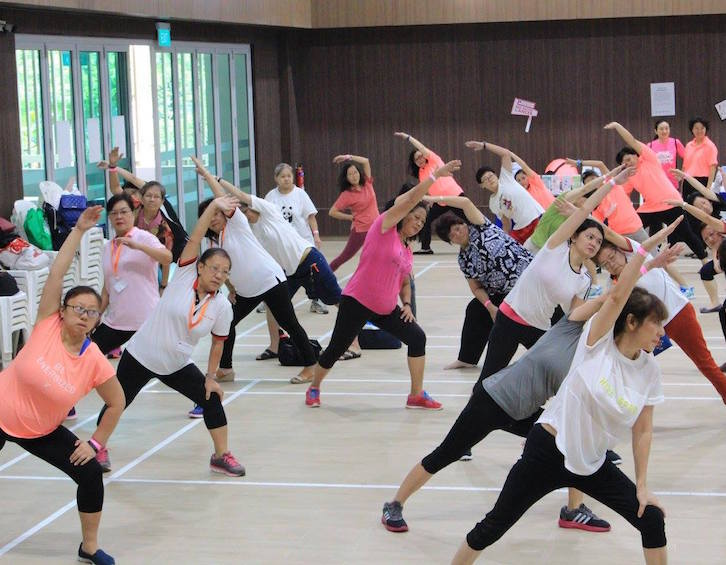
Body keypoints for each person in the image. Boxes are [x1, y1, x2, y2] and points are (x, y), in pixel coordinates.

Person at [382, 221, 681, 536]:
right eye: (589, 237)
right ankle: (395, 503)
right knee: (447, 452)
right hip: (494, 400)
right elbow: (615, 295)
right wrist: (646, 255)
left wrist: (651, 267)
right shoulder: (573, 322)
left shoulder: (594, 351)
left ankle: (573, 509)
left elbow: (621, 300)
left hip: (524, 412)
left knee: (570, 441)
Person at [451, 253, 670, 565]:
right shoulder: (596, 343)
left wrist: (643, 487)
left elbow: (644, 430)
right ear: (631, 322)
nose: (662, 332)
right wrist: (645, 254)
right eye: (655, 324)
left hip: (592, 462)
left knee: (650, 518)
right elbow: (619, 295)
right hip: (547, 452)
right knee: (494, 526)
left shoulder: (649, 369)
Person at [0, 206, 125, 565]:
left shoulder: (95, 360)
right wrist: (80, 231)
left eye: (92, 312)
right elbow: (57, 271)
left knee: (89, 474)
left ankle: (89, 547)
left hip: (40, 430)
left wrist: (97, 442)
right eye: (79, 308)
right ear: (64, 310)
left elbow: (116, 402)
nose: (85, 316)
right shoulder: (47, 323)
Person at [95, 196, 245, 478]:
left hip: (175, 363)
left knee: (210, 399)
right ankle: (98, 446)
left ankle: (221, 455)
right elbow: (195, 236)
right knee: (118, 402)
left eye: (225, 272)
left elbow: (217, 343)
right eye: (214, 268)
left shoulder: (222, 306)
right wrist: (213, 207)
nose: (219, 275)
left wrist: (211, 377)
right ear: (200, 266)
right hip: (141, 355)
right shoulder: (185, 275)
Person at [304, 158, 463, 409]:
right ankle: (314, 388)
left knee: (417, 338)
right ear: (404, 214)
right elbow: (410, 200)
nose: (419, 223)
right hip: (356, 301)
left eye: (423, 222)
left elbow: (404, 281)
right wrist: (435, 177)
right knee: (336, 348)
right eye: (416, 217)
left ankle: (416, 394)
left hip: (386, 309)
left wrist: (407, 304)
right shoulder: (384, 226)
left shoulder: (407, 248)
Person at [475, 166, 634, 384]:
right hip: (510, 317)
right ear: (575, 237)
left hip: (538, 329)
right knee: (487, 380)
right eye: (589, 237)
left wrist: (607, 305)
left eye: (598, 242)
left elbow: (574, 318)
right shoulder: (555, 247)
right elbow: (585, 208)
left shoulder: (584, 280)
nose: (594, 243)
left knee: (555, 378)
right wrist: (614, 182)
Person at [191, 156, 319, 386]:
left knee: (289, 323)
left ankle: (310, 366)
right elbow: (225, 267)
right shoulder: (215, 242)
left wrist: (207, 176)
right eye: (209, 218)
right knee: (226, 324)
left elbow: (221, 198)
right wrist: (231, 288)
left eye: (216, 214)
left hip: (269, 281)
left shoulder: (237, 222)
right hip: (247, 291)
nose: (213, 220)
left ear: (224, 212)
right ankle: (226, 369)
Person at [211, 174, 354, 366]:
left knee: (337, 300)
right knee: (274, 306)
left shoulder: (270, 212)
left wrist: (218, 180)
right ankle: (275, 346)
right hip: (289, 273)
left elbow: (239, 195)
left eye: (248, 211)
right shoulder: (249, 231)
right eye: (243, 213)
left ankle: (354, 343)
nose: (247, 215)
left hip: (309, 260)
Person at [596, 225, 726, 403]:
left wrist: (580, 212)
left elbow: (609, 232)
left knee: (705, 363)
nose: (611, 264)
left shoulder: (635, 253)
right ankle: (628, 405)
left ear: (620, 251)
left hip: (679, 314)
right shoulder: (612, 287)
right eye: (605, 265)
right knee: (629, 364)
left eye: (612, 257)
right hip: (650, 330)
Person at [430, 196, 532, 369]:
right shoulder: (464, 259)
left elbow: (466, 203)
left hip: (529, 281)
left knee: (527, 319)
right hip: (503, 293)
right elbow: (476, 287)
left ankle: (548, 352)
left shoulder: (481, 227)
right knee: (475, 310)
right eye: (451, 235)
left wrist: (430, 198)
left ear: (464, 224)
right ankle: (467, 359)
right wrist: (489, 306)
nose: (456, 234)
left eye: (456, 228)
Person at [604, 121, 708, 264]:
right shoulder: (629, 175)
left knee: (687, 234)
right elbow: (621, 194)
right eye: (625, 163)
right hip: (651, 207)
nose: (628, 163)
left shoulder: (648, 158)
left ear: (636, 155)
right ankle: (632, 258)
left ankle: (705, 261)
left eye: (629, 159)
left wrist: (617, 126)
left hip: (671, 203)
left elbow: (631, 140)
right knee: (632, 225)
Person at [92, 194, 172, 358]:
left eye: (123, 211)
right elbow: (107, 287)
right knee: (88, 352)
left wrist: (139, 246)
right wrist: (97, 314)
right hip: (117, 320)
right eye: (114, 213)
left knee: (163, 367)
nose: (119, 217)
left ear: (133, 213)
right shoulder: (108, 247)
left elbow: (167, 258)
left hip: (146, 319)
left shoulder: (144, 237)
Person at [100, 147, 188, 290]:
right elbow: (116, 189)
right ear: (141, 197)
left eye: (156, 197)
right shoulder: (136, 206)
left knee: (153, 281)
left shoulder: (164, 226)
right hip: (138, 253)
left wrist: (164, 286)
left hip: (167, 255)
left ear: (162, 200)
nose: (152, 200)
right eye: (148, 196)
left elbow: (166, 260)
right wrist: (112, 168)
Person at [265, 162, 328, 315]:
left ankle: (316, 300)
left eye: (289, 176)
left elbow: (310, 216)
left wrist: (316, 235)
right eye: (282, 176)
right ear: (276, 178)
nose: (286, 179)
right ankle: (269, 300)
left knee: (310, 272)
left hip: (302, 242)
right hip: (280, 244)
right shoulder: (271, 196)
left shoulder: (300, 194)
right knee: (277, 273)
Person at [395, 132, 466, 254]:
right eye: (416, 159)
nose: (420, 159)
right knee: (425, 219)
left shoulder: (434, 160)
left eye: (421, 156)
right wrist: (431, 200)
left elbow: (421, 147)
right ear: (414, 162)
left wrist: (408, 138)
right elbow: (429, 187)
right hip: (440, 201)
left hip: (454, 196)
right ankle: (425, 247)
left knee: (470, 218)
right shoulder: (421, 173)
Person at [465, 140, 544, 244]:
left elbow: (505, 153)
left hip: (537, 219)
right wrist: (504, 238)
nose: (490, 179)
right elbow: (505, 222)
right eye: (486, 179)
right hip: (520, 229)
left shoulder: (506, 179)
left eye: (491, 176)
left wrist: (484, 145)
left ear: (496, 175)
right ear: (482, 185)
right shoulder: (493, 203)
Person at [328, 153, 379, 271]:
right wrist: (350, 218)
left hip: (376, 227)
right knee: (345, 256)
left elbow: (366, 161)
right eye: (350, 174)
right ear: (346, 178)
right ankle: (324, 276)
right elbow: (332, 212)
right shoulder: (347, 195)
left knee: (379, 254)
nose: (354, 176)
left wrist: (347, 157)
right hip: (361, 230)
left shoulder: (367, 183)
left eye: (355, 172)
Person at [683, 117, 719, 200]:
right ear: (692, 130)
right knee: (687, 208)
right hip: (688, 181)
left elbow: (712, 168)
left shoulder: (710, 146)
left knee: (700, 210)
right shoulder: (688, 145)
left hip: (702, 182)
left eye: (702, 128)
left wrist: (708, 189)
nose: (699, 131)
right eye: (696, 128)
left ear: (706, 129)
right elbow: (685, 167)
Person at [646, 119, 685, 192]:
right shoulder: (650, 145)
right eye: (661, 129)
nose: (664, 131)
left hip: (672, 183)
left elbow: (688, 159)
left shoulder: (675, 142)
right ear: (656, 131)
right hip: (656, 182)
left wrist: (681, 174)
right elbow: (644, 163)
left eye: (666, 128)